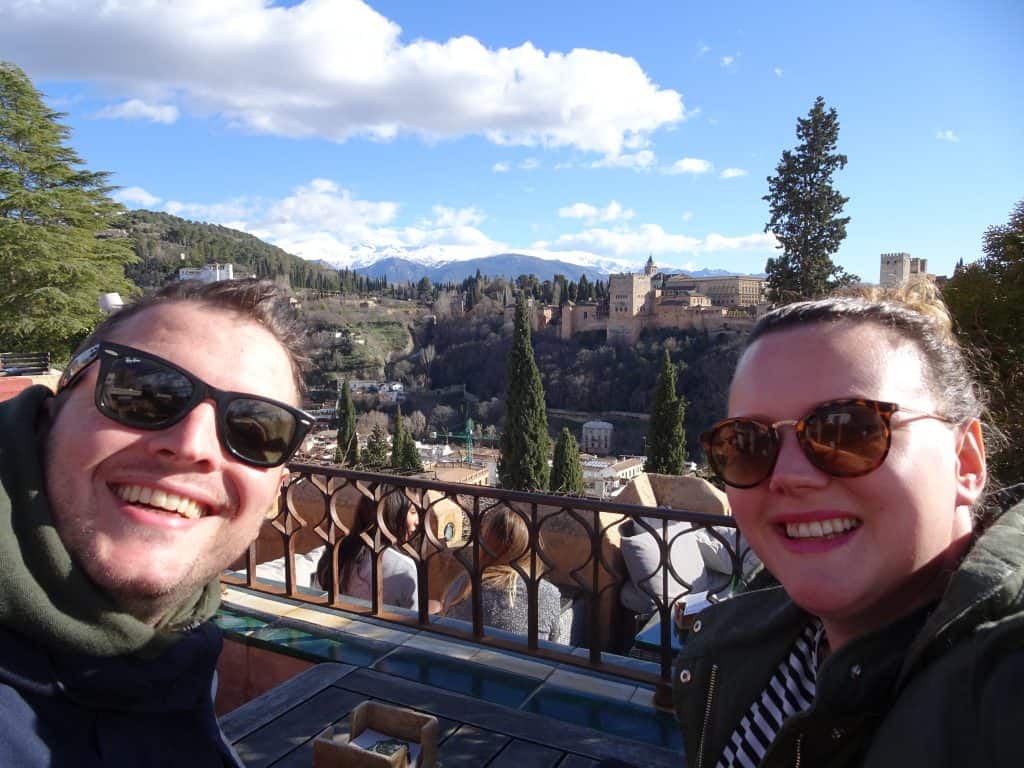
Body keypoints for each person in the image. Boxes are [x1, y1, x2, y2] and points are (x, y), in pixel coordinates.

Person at [673, 283, 1023, 767]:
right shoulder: (745, 648)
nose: (790, 476)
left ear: (965, 461)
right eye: (747, 443)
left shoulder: (1000, 682)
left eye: (850, 430)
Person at [0, 279, 313, 766]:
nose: (192, 446)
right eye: (144, 393)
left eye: (254, 429)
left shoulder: (181, 654)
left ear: (275, 490)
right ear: (49, 415)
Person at [443, 507, 563, 643]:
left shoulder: (464, 584)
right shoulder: (548, 594)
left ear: (486, 543)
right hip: (521, 664)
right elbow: (552, 645)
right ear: (533, 547)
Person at [314, 489, 421, 609]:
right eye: (413, 512)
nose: (418, 521)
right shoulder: (404, 568)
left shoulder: (337, 551)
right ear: (392, 514)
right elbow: (413, 619)